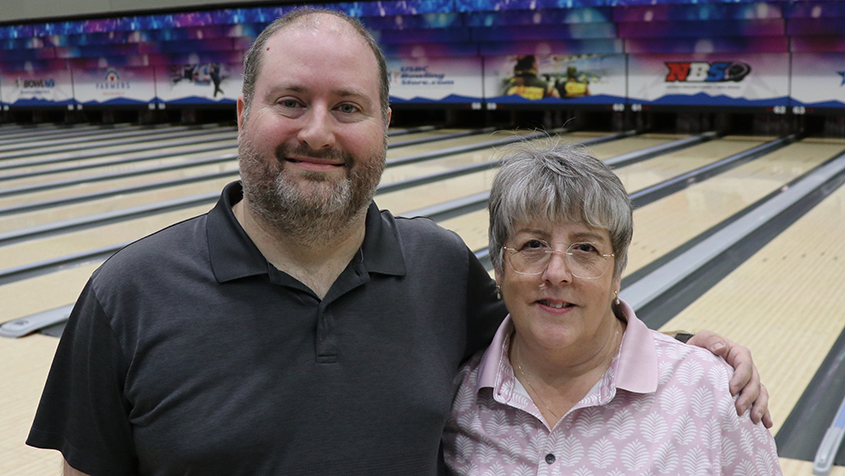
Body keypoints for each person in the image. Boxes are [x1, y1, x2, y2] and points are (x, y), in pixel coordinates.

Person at [27, 9, 767, 476]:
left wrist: (683, 356)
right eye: (291, 102)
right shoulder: (128, 292)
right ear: (242, 112)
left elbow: (546, 331)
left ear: (384, 123)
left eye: (346, 107)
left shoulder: (437, 267)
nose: (318, 131)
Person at [443, 141, 781, 475]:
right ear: (499, 268)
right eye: (533, 244)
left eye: (586, 248)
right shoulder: (453, 398)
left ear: (616, 272)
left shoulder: (712, 391)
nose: (557, 273)